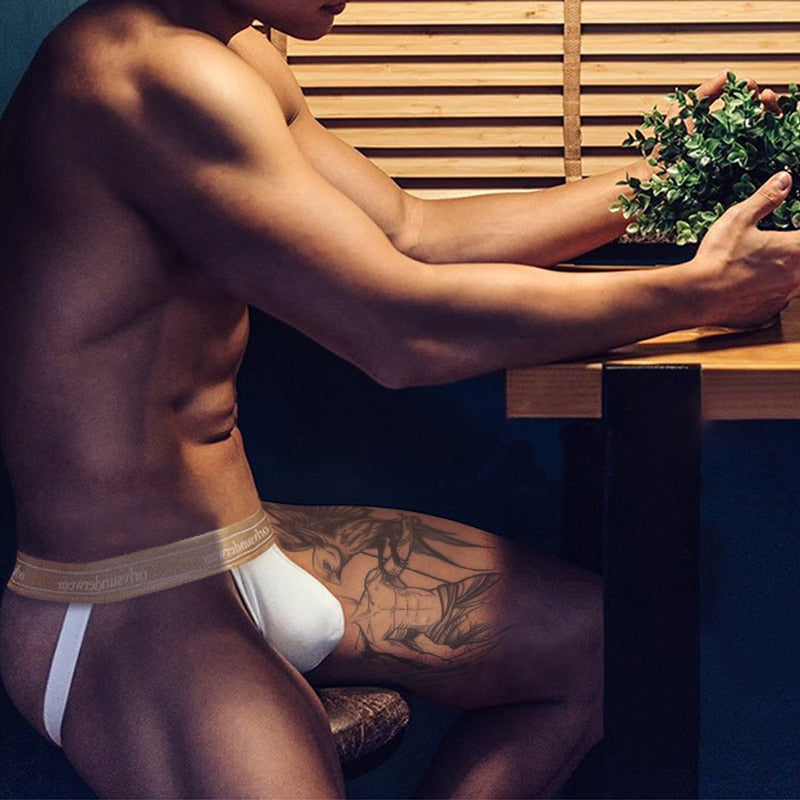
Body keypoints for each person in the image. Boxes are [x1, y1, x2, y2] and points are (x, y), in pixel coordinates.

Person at [0, 1, 798, 797]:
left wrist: (660, 175)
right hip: (128, 599)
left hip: (244, 538)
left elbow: (414, 234)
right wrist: (698, 294)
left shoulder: (240, 54)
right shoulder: (152, 73)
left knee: (604, 649)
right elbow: (400, 334)